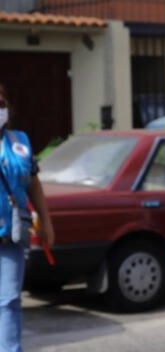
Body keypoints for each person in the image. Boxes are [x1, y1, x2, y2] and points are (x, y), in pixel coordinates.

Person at [0, 82, 55, 352]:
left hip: (11, 234)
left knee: (9, 300)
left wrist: (46, 220)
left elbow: (33, 183)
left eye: (0, 103)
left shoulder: (19, 142)